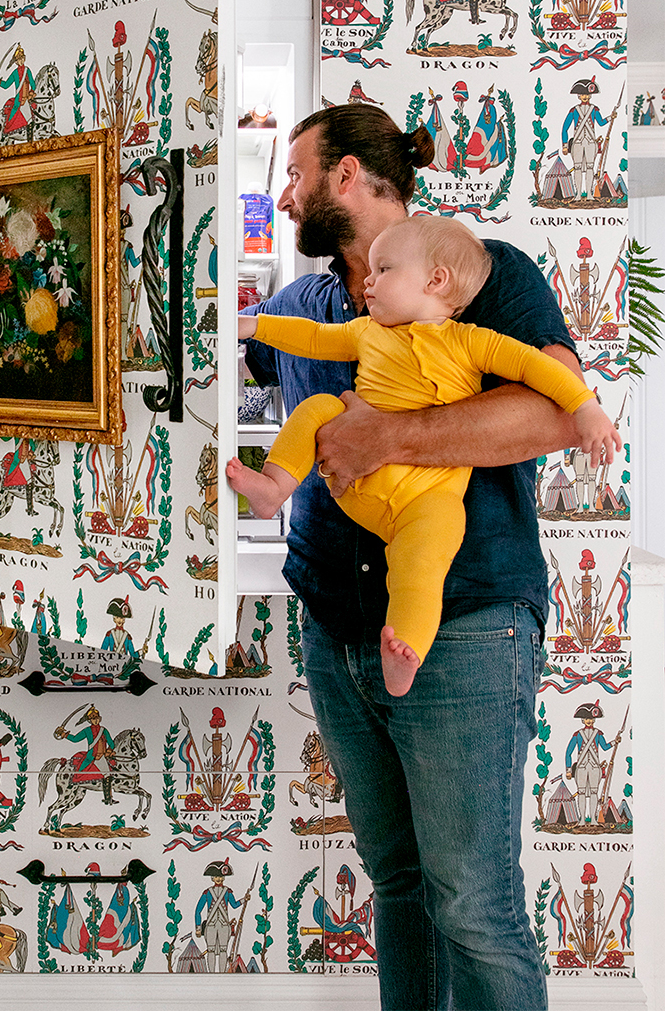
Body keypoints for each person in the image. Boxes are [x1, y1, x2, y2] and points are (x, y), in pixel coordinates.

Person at [241, 103, 584, 1010]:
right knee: (397, 884)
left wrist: (391, 435)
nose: (284, 196)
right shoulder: (308, 304)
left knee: (474, 905)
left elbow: (557, 408)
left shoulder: (485, 273)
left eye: (296, 173)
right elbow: (218, 356)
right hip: (337, 632)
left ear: (346, 177)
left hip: (465, 626)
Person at [228, 215, 618, 695]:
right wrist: (254, 324)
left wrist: (587, 409)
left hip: (425, 500)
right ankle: (273, 487)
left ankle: (405, 649)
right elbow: (310, 337)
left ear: (436, 281)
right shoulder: (365, 332)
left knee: (425, 559)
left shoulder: (472, 341)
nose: (369, 282)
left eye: (383, 270)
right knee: (318, 408)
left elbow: (538, 369)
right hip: (354, 494)